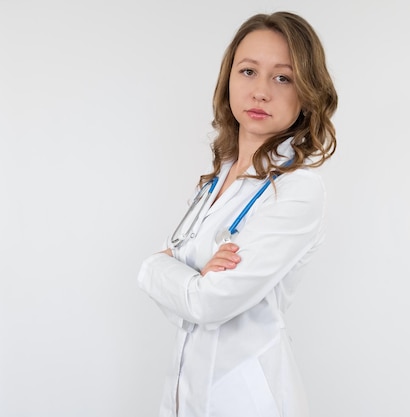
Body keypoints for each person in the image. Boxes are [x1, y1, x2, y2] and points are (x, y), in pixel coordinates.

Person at [137, 11, 337, 417]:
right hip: (186, 393)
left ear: (307, 92)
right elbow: (175, 299)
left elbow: (207, 304)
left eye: (283, 77)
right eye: (248, 71)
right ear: (228, 78)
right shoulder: (215, 180)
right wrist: (172, 275)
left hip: (248, 398)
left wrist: (168, 272)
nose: (261, 91)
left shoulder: (297, 190)